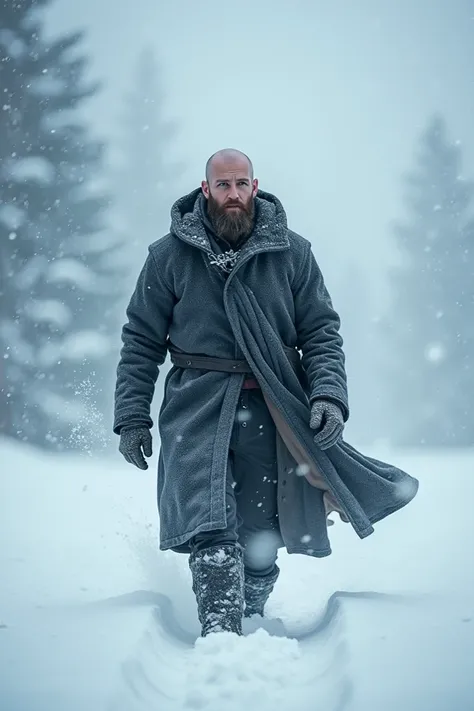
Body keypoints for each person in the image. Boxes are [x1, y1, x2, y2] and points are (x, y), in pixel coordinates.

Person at [113, 149, 418, 637]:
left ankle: (251, 604)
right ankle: (220, 629)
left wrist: (328, 396)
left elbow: (320, 332)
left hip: (270, 406)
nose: (232, 194)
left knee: (259, 532)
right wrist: (131, 416)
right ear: (205, 189)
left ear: (255, 186)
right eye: (222, 185)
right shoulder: (168, 256)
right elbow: (141, 341)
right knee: (209, 520)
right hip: (196, 405)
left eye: (240, 184)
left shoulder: (292, 252)